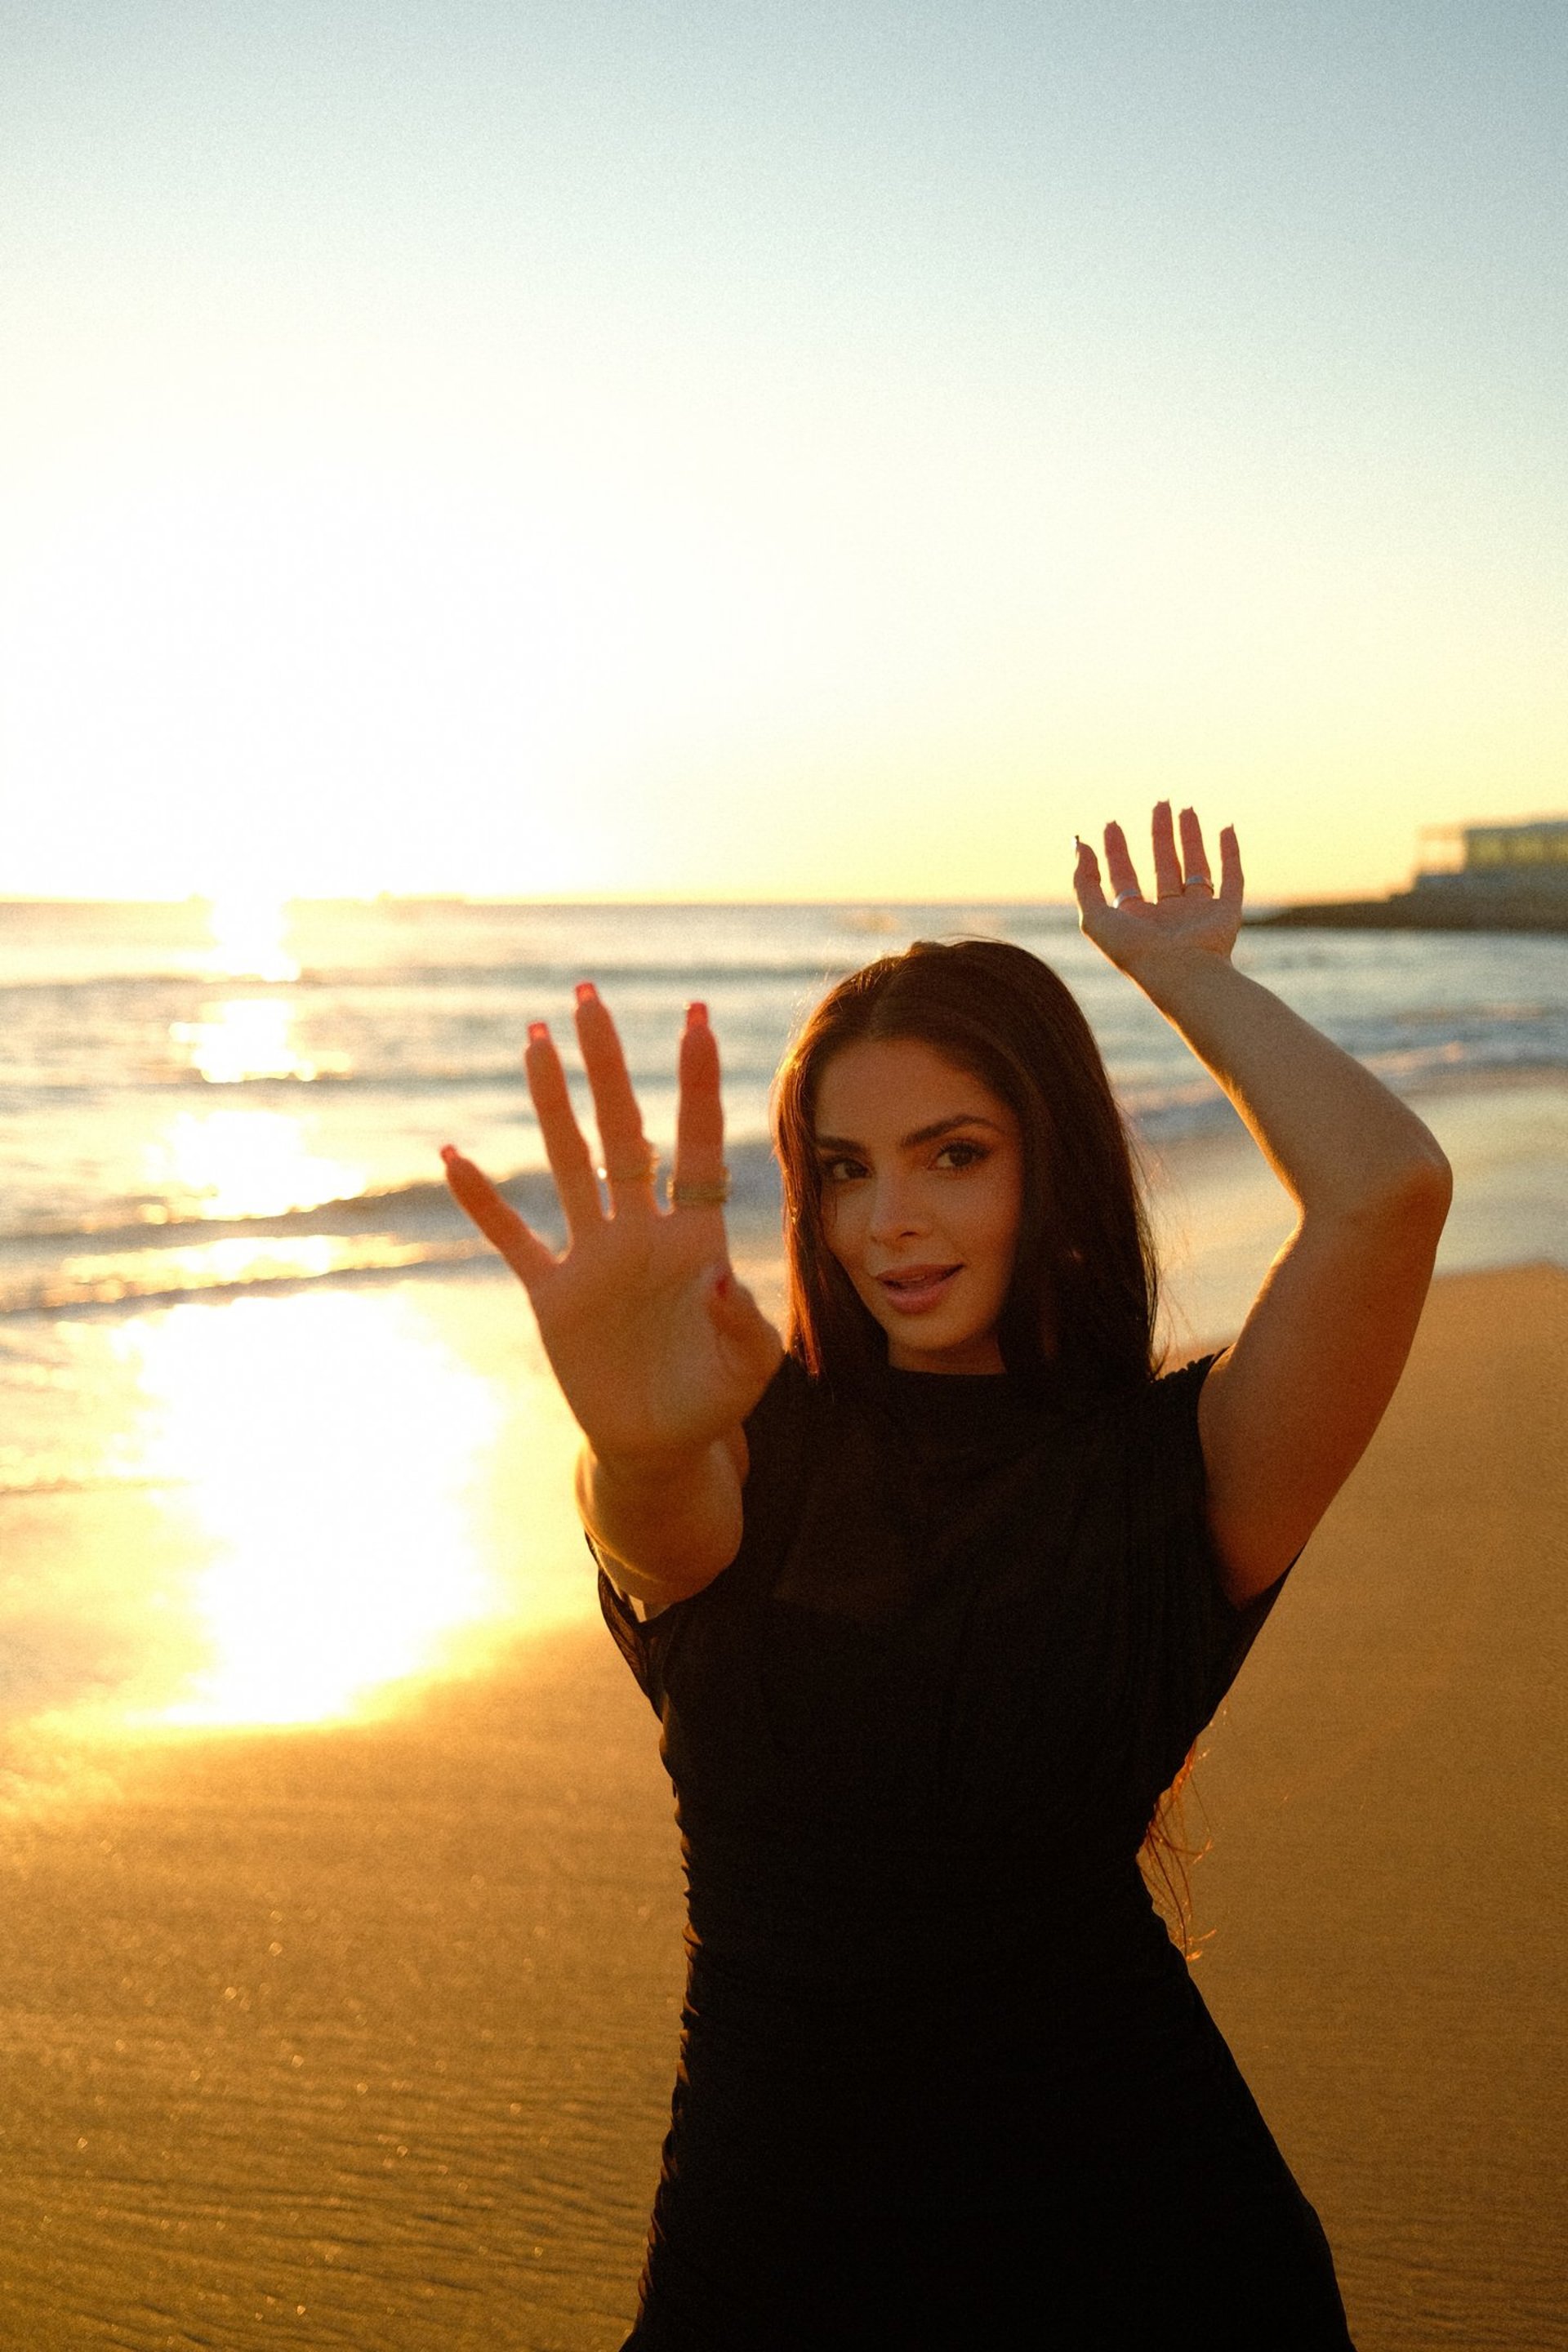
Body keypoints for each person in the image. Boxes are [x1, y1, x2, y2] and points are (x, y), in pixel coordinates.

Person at [441, 805, 1450, 2350]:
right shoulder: (738, 1439)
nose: (889, 1220)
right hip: (777, 2261)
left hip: (1156, 2252)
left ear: (1055, 1167)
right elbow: (661, 1526)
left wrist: (1183, 981)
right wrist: (635, 1446)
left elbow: (1386, 1193)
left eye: (954, 1156)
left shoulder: (1175, 1474)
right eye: (844, 1171)